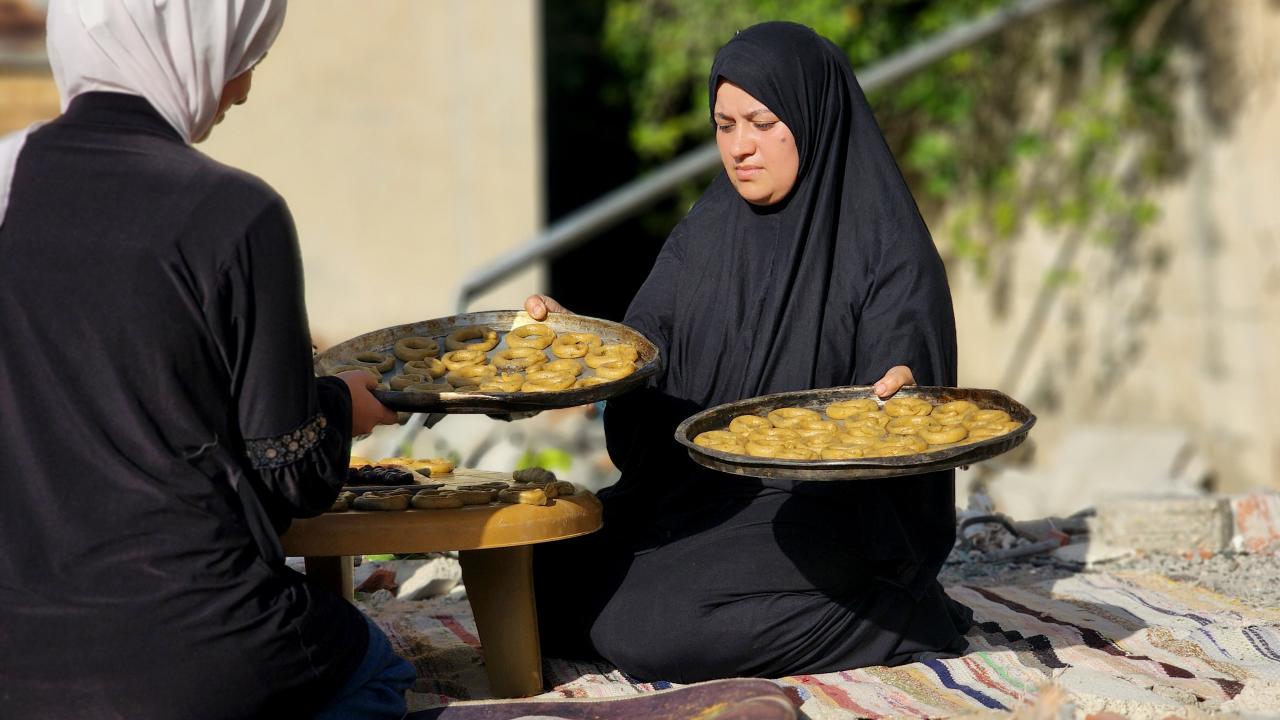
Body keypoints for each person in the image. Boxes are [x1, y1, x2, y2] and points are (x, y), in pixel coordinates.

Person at [0, 1, 415, 717]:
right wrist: (346, 402)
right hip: (192, 651)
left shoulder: (7, 180)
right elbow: (292, 474)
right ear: (188, 48)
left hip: (16, 661)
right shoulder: (237, 213)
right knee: (378, 670)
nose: (242, 90)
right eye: (241, 58)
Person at [526, 21, 973, 682]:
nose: (740, 147)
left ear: (811, 116)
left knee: (643, 627)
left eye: (762, 123)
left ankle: (898, 616)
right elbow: (643, 354)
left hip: (818, 511)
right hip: (698, 494)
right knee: (536, 579)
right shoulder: (705, 233)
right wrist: (581, 350)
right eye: (724, 124)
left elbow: (902, 366)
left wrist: (901, 385)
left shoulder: (886, 246)